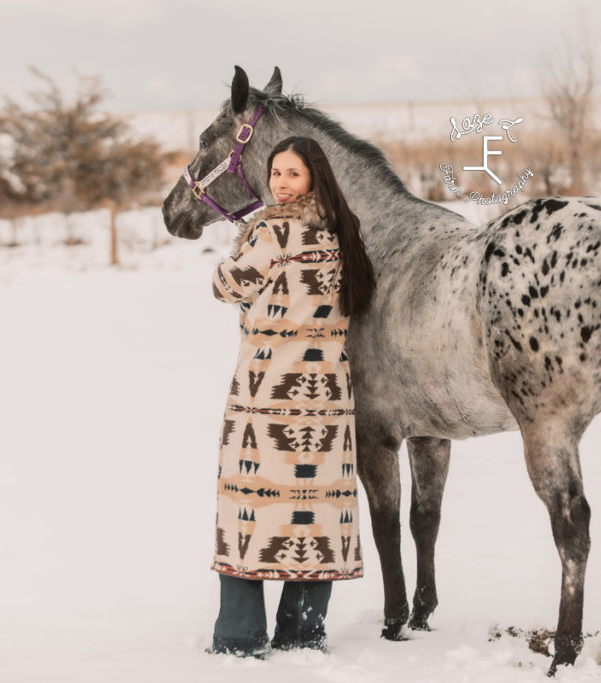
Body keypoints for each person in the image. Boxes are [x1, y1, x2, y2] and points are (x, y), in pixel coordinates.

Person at [208, 136, 376, 657]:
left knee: (250, 508)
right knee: (314, 510)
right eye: (276, 173)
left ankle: (239, 636)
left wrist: (240, 244)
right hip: (327, 391)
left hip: (268, 390)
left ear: (314, 179)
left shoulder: (274, 231)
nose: (280, 184)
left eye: (292, 175)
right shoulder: (344, 232)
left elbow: (226, 285)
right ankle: (303, 632)